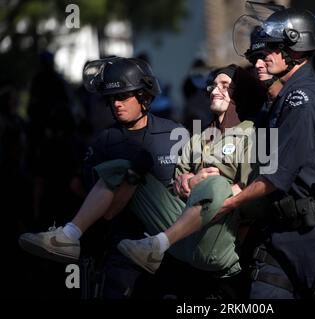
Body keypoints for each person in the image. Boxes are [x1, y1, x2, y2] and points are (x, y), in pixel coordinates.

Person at [19, 65, 266, 279]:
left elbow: (253, 195)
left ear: (240, 94)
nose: (214, 90)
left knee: (217, 186)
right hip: (181, 233)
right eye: (213, 85)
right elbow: (178, 182)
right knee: (125, 168)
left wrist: (212, 189)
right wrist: (189, 180)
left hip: (216, 239)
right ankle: (70, 235)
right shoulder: (198, 138)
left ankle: (157, 244)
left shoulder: (253, 135)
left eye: (224, 85)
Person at [20, 57, 183, 298]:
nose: (116, 104)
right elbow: (105, 210)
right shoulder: (104, 142)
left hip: (172, 251)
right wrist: (131, 177)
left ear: (144, 96)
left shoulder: (175, 133)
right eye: (112, 98)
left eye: (123, 96)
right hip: (123, 255)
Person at [221, 7, 315, 299]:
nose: (261, 59)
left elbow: (276, 176)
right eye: (259, 54)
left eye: (270, 51)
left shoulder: (304, 98)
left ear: (296, 50)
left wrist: (228, 202)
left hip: (314, 234)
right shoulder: (281, 98)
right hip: (278, 233)